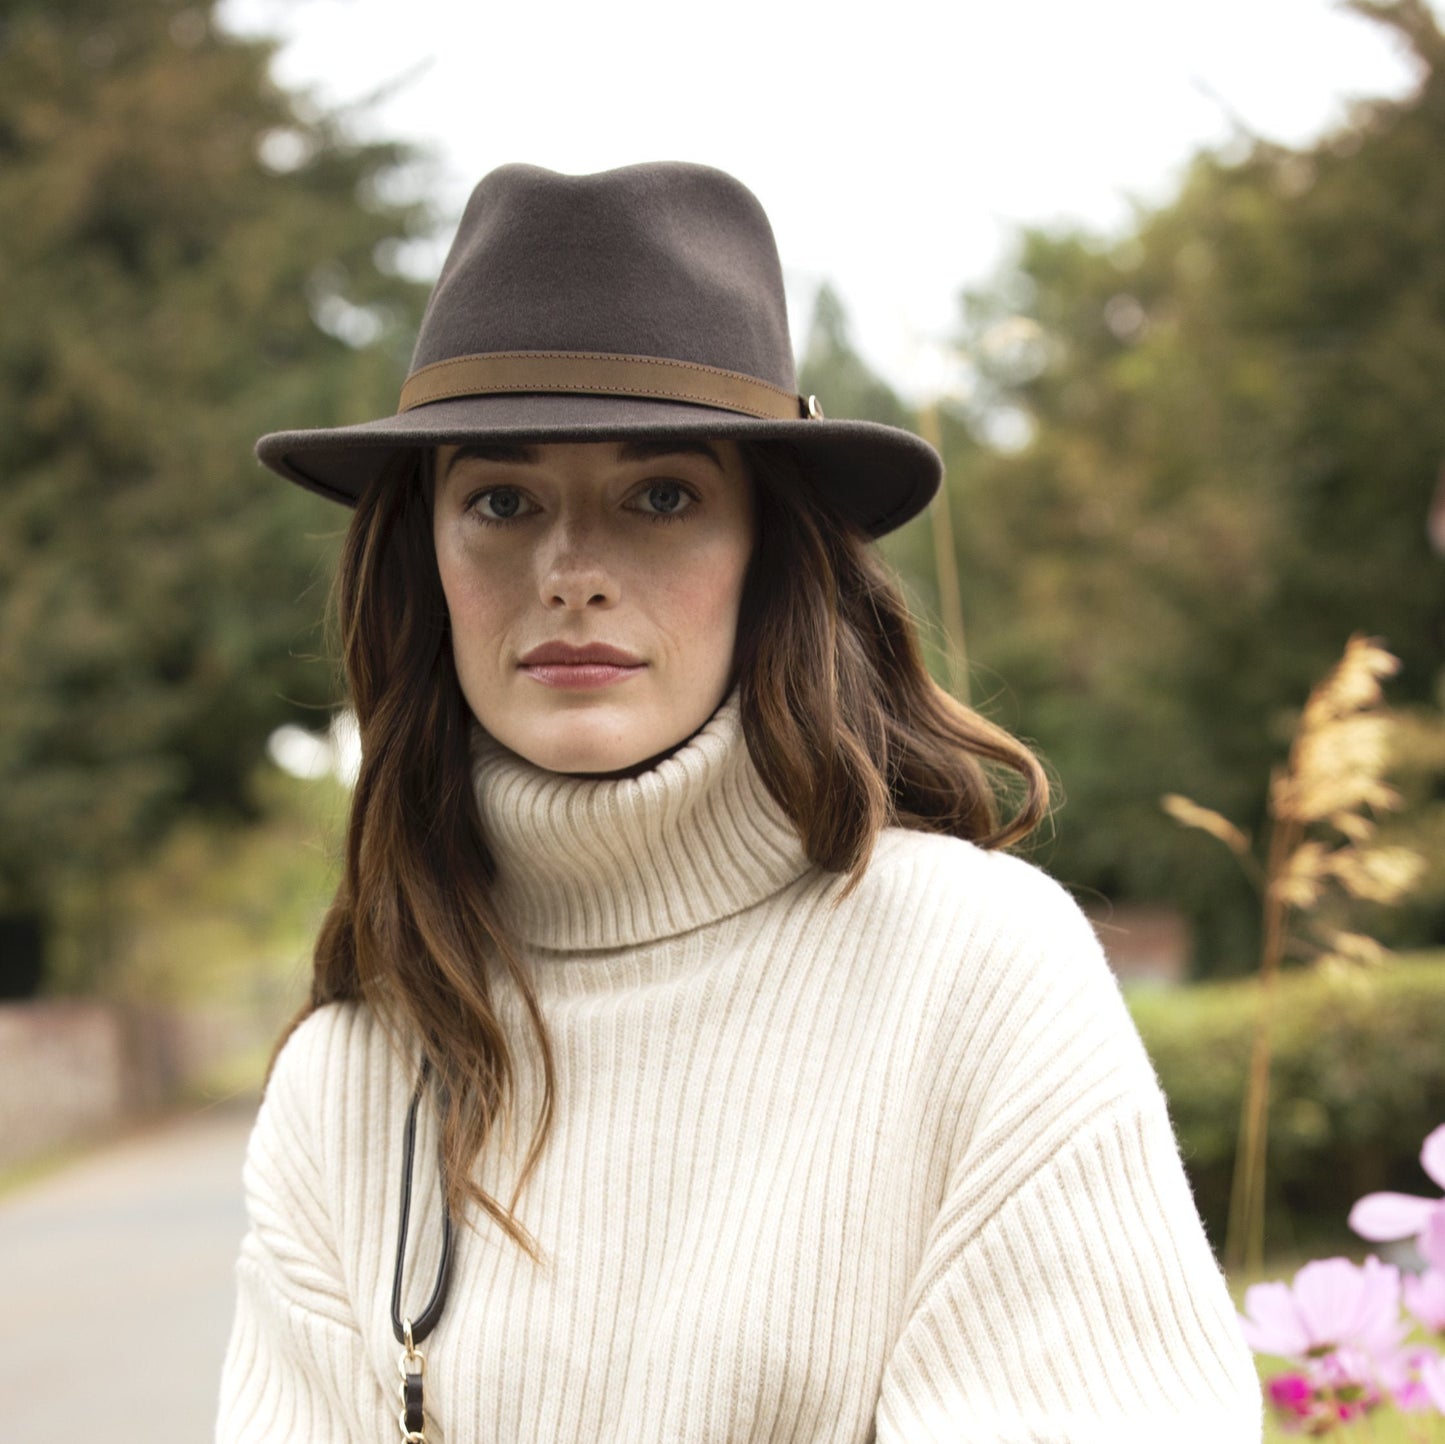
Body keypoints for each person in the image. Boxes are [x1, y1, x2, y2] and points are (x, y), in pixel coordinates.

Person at [216, 161, 1262, 1442]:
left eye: (661, 496)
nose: (571, 570)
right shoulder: (348, 1074)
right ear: (423, 558)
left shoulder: (975, 968)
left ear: (768, 549)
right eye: (500, 498)